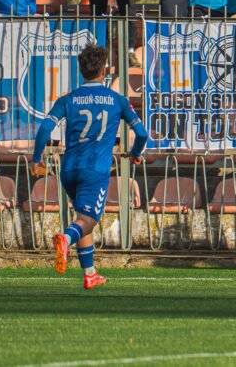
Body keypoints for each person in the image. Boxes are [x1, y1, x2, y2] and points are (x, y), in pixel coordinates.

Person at [31, 43, 148, 289]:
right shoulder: (118, 100)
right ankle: (66, 238)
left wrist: (36, 157)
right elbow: (142, 133)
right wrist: (136, 153)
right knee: (89, 220)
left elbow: (44, 130)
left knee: (82, 216)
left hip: (69, 170)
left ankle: (90, 273)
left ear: (81, 70)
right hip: (95, 170)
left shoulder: (68, 99)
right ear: (104, 70)